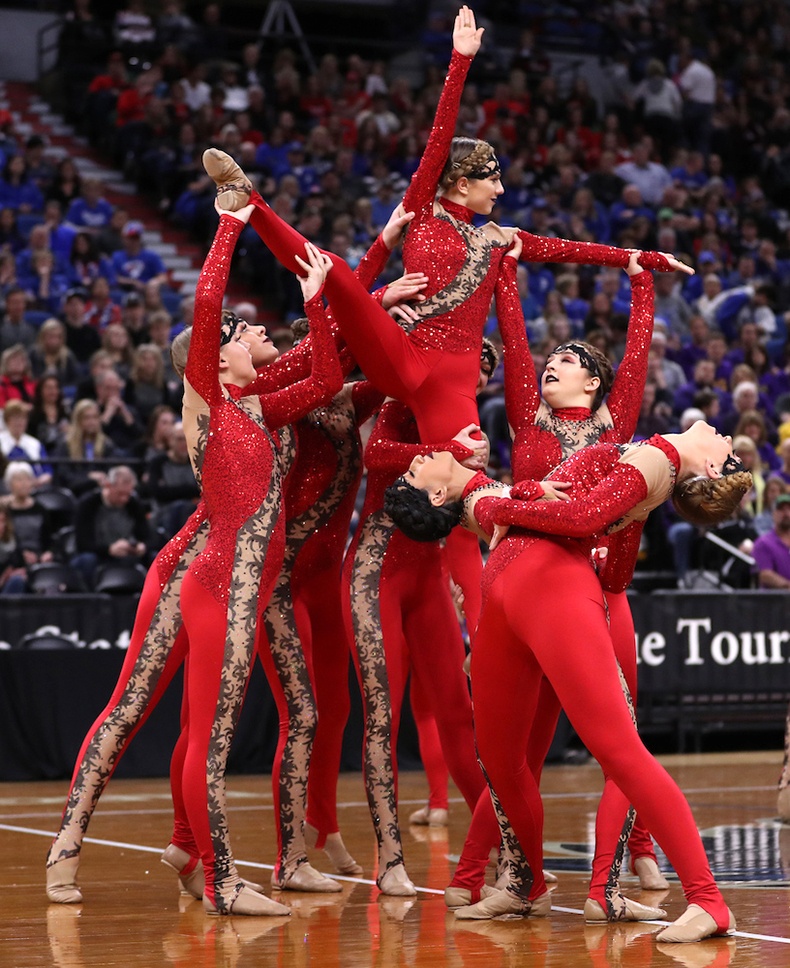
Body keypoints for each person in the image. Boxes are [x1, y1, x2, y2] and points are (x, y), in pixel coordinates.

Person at [385, 419, 750, 943]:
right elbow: (501, 507)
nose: (722, 432)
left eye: (727, 448)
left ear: (710, 467)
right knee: (499, 758)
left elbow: (579, 519)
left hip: (553, 588)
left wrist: (503, 504)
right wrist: (503, 499)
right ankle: (527, 884)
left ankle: (707, 900)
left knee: (619, 750)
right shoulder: (644, 455)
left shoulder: (659, 458)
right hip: (510, 593)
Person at [444, 243, 674, 913]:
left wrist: (640, 282)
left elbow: (636, 357)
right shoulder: (528, 423)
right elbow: (515, 346)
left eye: (568, 363)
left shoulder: (617, 424)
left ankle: (636, 855)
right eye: (551, 362)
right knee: (518, 756)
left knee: (620, 741)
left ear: (594, 387)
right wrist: (506, 272)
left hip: (603, 595)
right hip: (534, 597)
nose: (552, 366)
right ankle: (474, 875)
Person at [70, 464, 149, 588]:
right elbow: (83, 543)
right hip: (98, 554)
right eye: (120, 494)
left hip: (127, 554)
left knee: (154, 557)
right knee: (87, 560)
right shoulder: (88, 504)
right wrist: (109, 549)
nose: (124, 499)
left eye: (128, 494)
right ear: (107, 486)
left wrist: (141, 546)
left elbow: (147, 535)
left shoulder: (133, 504)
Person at [752, 492, 790, 588]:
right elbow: (765, 575)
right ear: (773, 514)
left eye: (789, 509)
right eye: (781, 509)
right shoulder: (764, 543)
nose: (786, 513)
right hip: (774, 600)